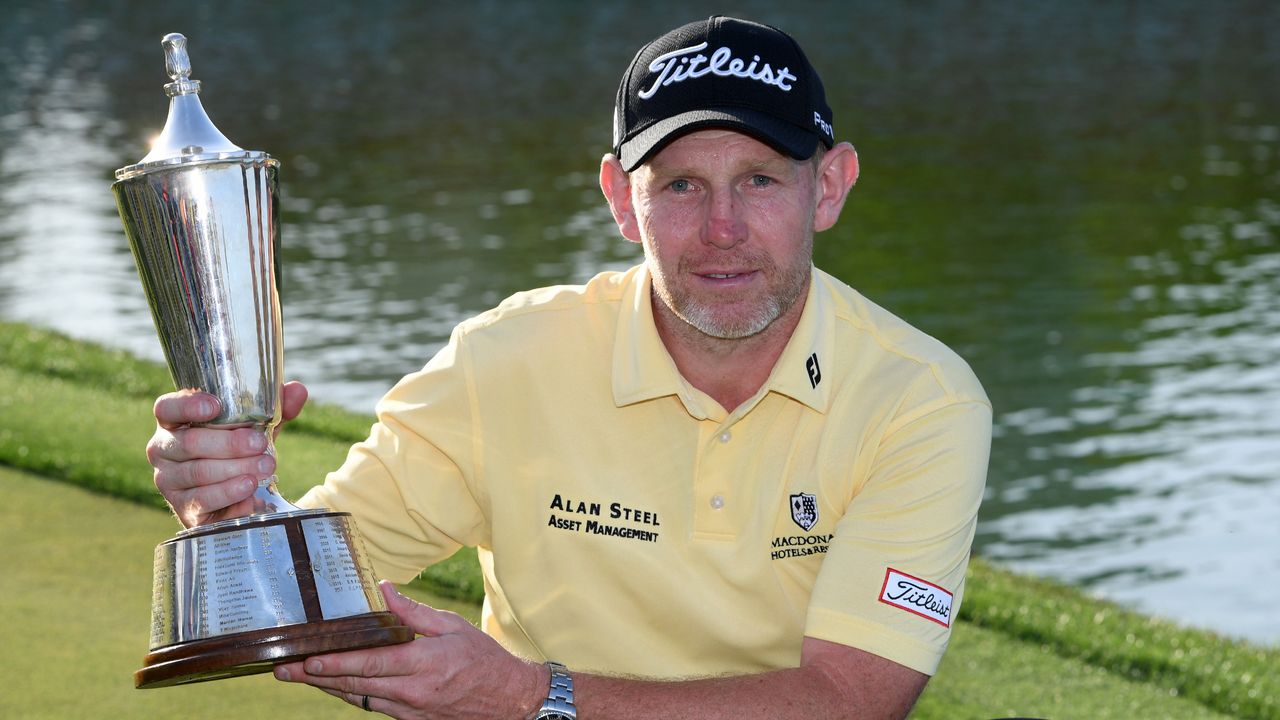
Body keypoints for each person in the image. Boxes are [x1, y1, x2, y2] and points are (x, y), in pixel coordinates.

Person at [147, 15, 991, 720]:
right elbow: (301, 594)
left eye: (763, 180)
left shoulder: (919, 399)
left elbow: (850, 698)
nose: (724, 227)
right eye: (682, 186)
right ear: (623, 198)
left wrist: (529, 697)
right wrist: (227, 503)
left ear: (830, 187)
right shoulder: (503, 360)